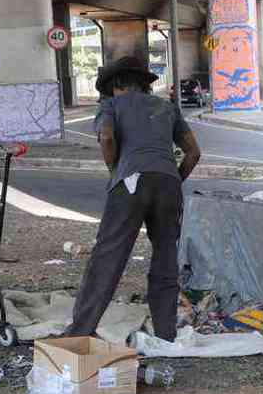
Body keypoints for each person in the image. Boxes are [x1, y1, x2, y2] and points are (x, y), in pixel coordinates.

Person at [65, 56, 202, 342]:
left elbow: (106, 138)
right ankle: (166, 334)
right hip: (168, 184)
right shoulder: (167, 107)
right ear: (144, 84)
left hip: (129, 182)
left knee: (108, 257)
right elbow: (193, 153)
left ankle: (80, 331)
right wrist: (174, 179)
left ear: (115, 85)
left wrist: (115, 170)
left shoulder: (110, 106)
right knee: (165, 258)